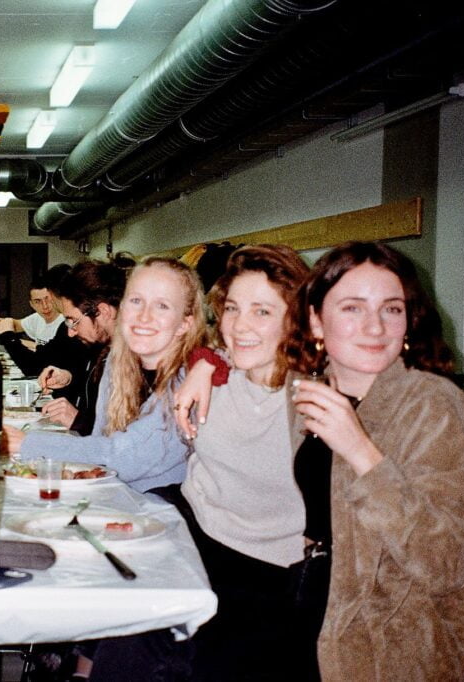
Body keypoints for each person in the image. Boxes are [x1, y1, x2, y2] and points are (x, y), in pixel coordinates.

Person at [291, 242, 464, 680]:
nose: (374, 326)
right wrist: (204, 365)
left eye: (391, 308)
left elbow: (448, 565)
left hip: (392, 645)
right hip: (316, 606)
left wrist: (363, 453)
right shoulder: (315, 391)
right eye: (352, 308)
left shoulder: (435, 407)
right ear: (315, 319)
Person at [166, 244, 315, 680]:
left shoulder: (317, 392)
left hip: (274, 576)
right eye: (232, 308)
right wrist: (203, 361)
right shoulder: (215, 373)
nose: (241, 326)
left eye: (263, 312)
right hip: (196, 541)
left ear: (296, 318)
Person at [2, 257, 204, 495]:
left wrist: (29, 444)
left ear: (184, 323)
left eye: (162, 306)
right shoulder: (117, 360)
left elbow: (125, 458)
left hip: (164, 503)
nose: (142, 317)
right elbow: (103, 440)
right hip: (123, 492)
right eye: (135, 301)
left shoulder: (189, 376)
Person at [35, 260, 126, 435]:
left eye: (73, 321)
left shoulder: (135, 361)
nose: (71, 332)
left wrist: (78, 420)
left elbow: (125, 443)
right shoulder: (102, 347)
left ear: (104, 312)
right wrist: (68, 377)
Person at [0, 273, 64, 348]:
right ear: (31, 305)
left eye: (48, 299)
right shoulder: (37, 318)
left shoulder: (66, 322)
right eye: (37, 301)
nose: (45, 306)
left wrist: (29, 344)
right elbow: (15, 325)